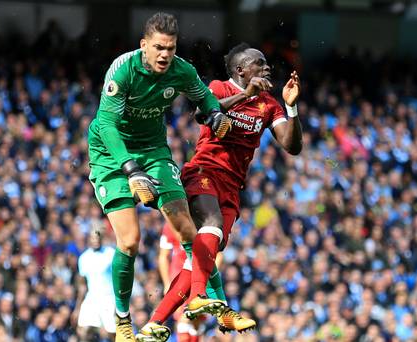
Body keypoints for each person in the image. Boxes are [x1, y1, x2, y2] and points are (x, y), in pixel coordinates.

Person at [86, 12, 232, 342]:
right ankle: (123, 320)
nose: (165, 54)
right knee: (130, 240)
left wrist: (216, 113)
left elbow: (202, 95)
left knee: (187, 229)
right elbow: (106, 125)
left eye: (170, 47)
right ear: (144, 46)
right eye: (158, 47)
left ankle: (217, 301)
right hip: (111, 153)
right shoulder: (123, 69)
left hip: (153, 151)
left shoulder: (181, 69)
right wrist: (130, 170)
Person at [143, 42, 303, 334]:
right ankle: (199, 298)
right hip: (203, 171)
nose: (267, 66)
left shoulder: (269, 104)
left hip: (233, 186)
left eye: (267, 63)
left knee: (201, 260)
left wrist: (291, 107)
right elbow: (202, 115)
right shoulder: (219, 88)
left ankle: (153, 324)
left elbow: (292, 146)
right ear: (241, 69)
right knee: (212, 228)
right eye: (260, 62)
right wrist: (246, 95)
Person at [77, 224, 116, 340]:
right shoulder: (83, 258)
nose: (95, 241)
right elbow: (83, 284)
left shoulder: (111, 253)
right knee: (83, 329)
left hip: (109, 297)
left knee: (111, 331)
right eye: (93, 238)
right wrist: (78, 306)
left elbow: (118, 278)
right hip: (92, 297)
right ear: (89, 239)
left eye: (98, 238)